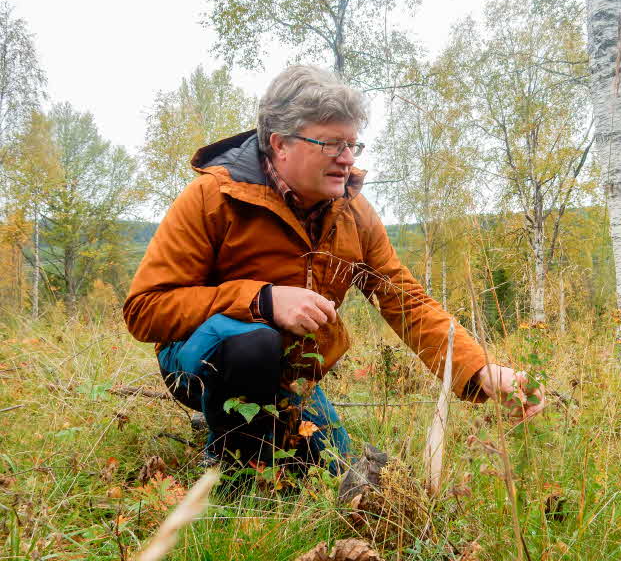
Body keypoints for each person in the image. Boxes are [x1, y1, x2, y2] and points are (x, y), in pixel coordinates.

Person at [123, 65, 545, 471]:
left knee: (332, 468)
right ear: (280, 144)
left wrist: (482, 369)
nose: (347, 159)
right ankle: (235, 477)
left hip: (290, 374)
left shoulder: (352, 212)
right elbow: (145, 310)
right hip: (196, 361)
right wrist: (262, 299)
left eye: (352, 145)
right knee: (252, 344)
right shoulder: (212, 197)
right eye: (331, 144)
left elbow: (405, 300)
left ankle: (262, 434)